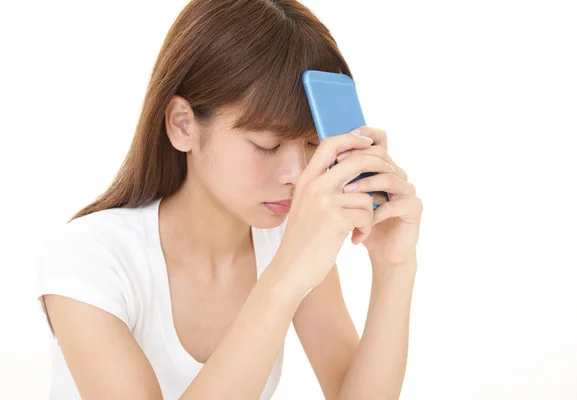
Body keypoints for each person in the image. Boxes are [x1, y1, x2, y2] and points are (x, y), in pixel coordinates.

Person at [35, 0, 423, 399]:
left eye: (311, 143)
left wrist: (394, 265)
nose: (297, 174)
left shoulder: (287, 242)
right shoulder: (87, 259)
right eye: (266, 145)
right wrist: (285, 278)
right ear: (183, 125)